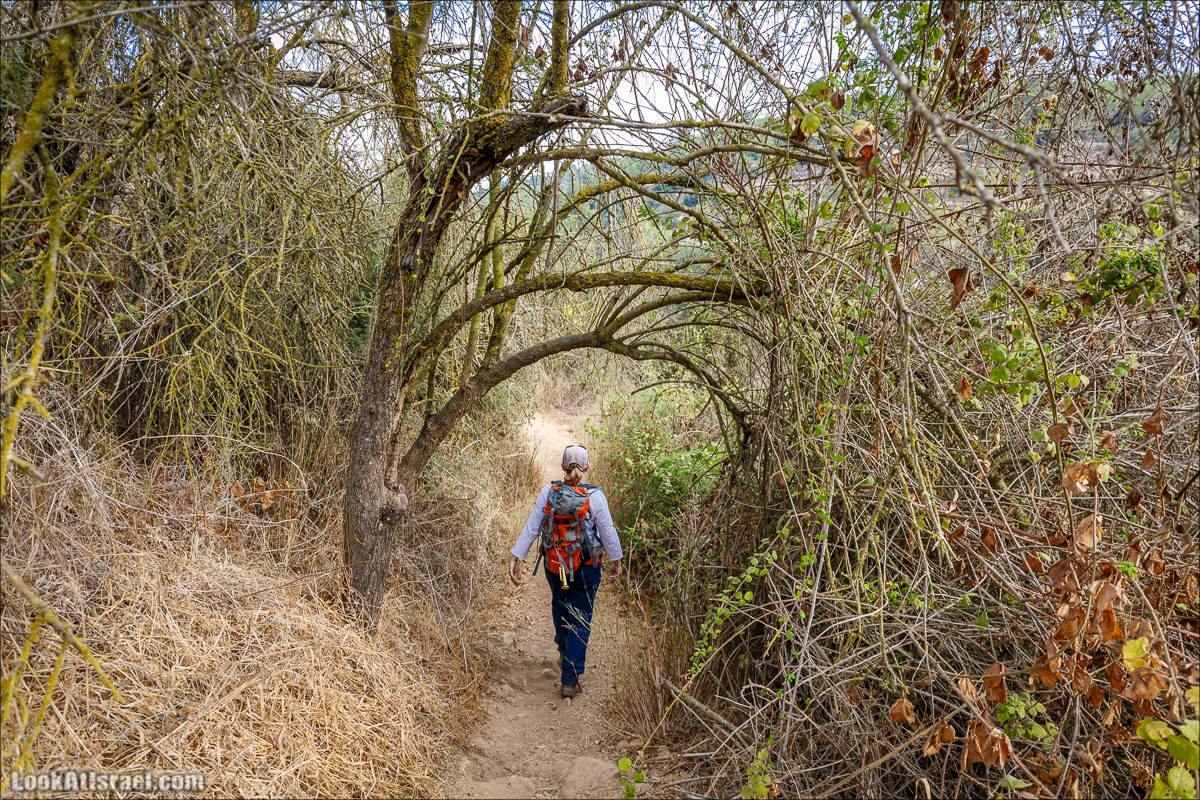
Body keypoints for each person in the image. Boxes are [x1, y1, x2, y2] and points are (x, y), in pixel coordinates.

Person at [508, 443, 622, 698]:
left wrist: (517, 556)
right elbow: (608, 533)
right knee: (581, 616)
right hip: (586, 568)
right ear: (588, 467)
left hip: (555, 565)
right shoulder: (595, 497)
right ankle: (570, 679)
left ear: (562, 467)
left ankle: (563, 649)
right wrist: (616, 561)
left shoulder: (549, 491)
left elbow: (532, 526)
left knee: (560, 605)